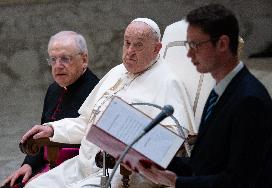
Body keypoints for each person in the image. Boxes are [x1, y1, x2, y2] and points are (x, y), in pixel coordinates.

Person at [20, 18, 195, 188]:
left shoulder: (168, 82)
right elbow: (87, 123)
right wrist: (53, 129)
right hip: (84, 165)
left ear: (156, 48)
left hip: (124, 173)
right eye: (127, 43)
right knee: (36, 185)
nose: (130, 51)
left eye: (139, 45)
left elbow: (170, 143)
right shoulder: (117, 72)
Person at [135, 4, 272, 188]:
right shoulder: (218, 92)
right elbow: (204, 164)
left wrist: (176, 182)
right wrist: (155, 156)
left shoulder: (249, 101)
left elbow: (239, 182)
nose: (189, 53)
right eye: (188, 44)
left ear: (222, 44)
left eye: (196, 45)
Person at [1, 31, 99, 188]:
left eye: (65, 59)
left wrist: (47, 174)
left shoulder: (96, 92)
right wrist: (29, 165)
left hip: (70, 173)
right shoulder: (54, 89)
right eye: (53, 59)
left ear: (84, 59)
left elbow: (87, 148)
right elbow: (42, 134)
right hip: (45, 165)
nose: (58, 66)